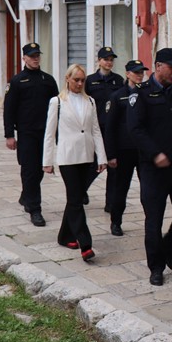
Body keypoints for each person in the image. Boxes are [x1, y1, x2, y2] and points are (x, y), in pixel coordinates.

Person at [127, 47, 172, 286]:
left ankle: (169, 252)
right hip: (152, 169)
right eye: (171, 67)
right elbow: (135, 129)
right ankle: (156, 267)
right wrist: (155, 153)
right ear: (158, 66)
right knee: (154, 218)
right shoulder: (141, 94)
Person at [42, 64, 108, 262]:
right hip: (68, 157)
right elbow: (49, 133)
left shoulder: (90, 101)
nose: (80, 83)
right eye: (76, 80)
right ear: (67, 79)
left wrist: (102, 157)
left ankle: (65, 236)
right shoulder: (57, 102)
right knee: (76, 199)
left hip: (87, 155)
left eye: (82, 80)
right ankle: (85, 243)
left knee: (75, 198)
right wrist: (47, 161)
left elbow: (96, 130)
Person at [3, 43, 59, 226]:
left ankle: (26, 195)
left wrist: (59, 133)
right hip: (27, 133)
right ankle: (35, 209)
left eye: (37, 55)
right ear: (24, 58)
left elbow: (57, 108)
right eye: (32, 56)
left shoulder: (48, 80)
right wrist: (9, 135)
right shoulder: (17, 81)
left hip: (45, 133)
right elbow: (9, 109)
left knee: (40, 169)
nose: (35, 59)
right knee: (29, 170)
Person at [103, 59, 148, 236]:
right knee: (120, 188)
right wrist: (111, 154)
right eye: (136, 72)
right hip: (124, 150)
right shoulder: (118, 96)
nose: (140, 75)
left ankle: (151, 221)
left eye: (141, 72)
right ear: (128, 74)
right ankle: (116, 221)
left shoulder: (147, 93)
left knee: (148, 189)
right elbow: (110, 127)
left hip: (143, 149)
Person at [85, 46, 124, 212]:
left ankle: (111, 203)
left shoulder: (118, 80)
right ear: (99, 61)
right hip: (97, 128)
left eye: (111, 60)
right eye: (106, 59)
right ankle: (81, 190)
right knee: (95, 164)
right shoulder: (89, 81)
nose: (109, 62)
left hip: (114, 129)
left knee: (114, 167)